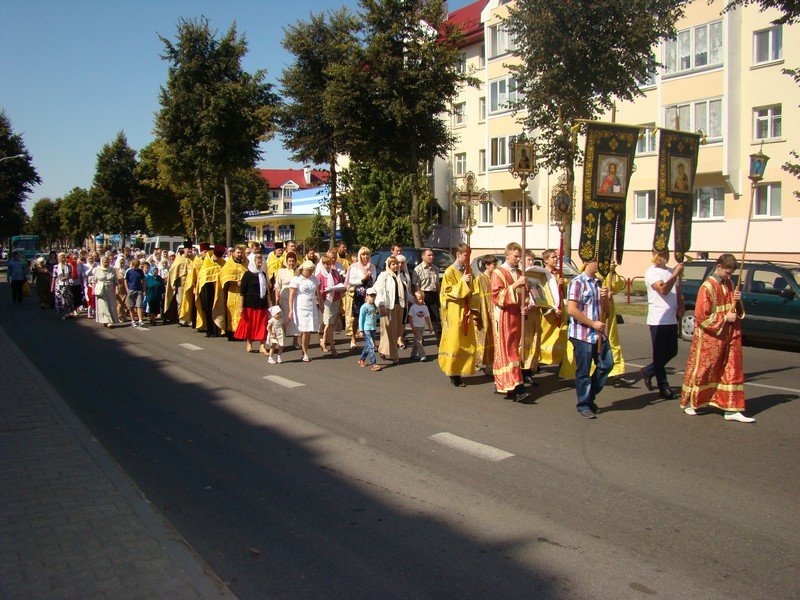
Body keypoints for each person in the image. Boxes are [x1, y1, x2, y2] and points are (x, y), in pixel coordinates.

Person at [680, 254, 755, 422]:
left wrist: (737, 301)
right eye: (727, 272)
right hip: (709, 338)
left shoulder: (729, 284)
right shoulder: (706, 287)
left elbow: (733, 309)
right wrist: (723, 319)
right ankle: (692, 402)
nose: (729, 276)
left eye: (731, 273)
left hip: (729, 335)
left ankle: (730, 408)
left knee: (730, 369)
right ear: (719, 266)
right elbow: (701, 317)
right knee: (705, 369)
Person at [567, 256, 613, 419]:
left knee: (607, 364)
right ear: (588, 263)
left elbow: (606, 311)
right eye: (597, 261)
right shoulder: (577, 282)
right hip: (582, 334)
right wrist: (592, 323)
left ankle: (589, 394)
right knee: (584, 371)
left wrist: (606, 298)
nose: (600, 264)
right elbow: (571, 309)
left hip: (598, 334)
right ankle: (584, 404)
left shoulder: (599, 283)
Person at [641, 250, 685, 398]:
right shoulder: (652, 272)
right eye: (661, 254)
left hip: (672, 318)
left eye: (666, 253)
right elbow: (664, 289)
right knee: (659, 355)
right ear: (654, 255)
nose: (665, 256)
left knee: (672, 351)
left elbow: (677, 291)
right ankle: (663, 386)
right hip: (658, 319)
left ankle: (649, 370)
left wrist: (681, 304)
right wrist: (675, 274)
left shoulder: (672, 270)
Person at [490, 243, 530, 402]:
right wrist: (515, 285)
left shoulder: (520, 272)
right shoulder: (498, 273)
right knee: (508, 350)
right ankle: (518, 388)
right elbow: (496, 296)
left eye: (520, 256)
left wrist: (525, 305)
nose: (518, 259)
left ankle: (506, 384)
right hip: (504, 315)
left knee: (515, 349)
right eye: (516, 256)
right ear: (507, 255)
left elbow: (524, 295)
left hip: (516, 315)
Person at [437, 243, 477, 387]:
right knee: (455, 342)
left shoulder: (469, 270)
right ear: (458, 255)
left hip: (466, 309)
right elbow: (446, 292)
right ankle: (454, 373)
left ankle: (463, 368)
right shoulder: (450, 271)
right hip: (454, 310)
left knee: (466, 341)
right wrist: (462, 282)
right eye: (466, 255)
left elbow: (473, 290)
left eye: (469, 255)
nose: (467, 258)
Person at [375, 256, 411, 365]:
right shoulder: (384, 276)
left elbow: (405, 292)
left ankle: (382, 349)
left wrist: (416, 300)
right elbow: (379, 290)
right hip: (388, 307)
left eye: (396, 264)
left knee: (394, 332)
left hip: (399, 306)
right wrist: (381, 305)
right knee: (390, 331)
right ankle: (395, 356)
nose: (395, 266)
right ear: (388, 265)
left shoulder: (401, 277)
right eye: (393, 264)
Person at [235, 253, 270, 354]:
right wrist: (241, 307)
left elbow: (266, 291)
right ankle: (249, 343)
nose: (260, 264)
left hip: (261, 303)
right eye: (258, 262)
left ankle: (262, 346)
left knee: (262, 325)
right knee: (250, 324)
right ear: (253, 262)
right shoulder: (247, 275)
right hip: (250, 303)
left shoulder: (262, 274)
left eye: (261, 262)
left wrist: (269, 303)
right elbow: (242, 291)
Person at [538, 249, 567, 367]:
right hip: (548, 309)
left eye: (556, 257)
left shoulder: (559, 273)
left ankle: (561, 360)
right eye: (553, 257)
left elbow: (564, 293)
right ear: (546, 260)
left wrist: (562, 284)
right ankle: (539, 359)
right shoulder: (542, 274)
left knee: (561, 334)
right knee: (545, 335)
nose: (555, 259)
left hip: (561, 308)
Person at [289, 260, 322, 362]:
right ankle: (304, 353)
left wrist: (320, 303)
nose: (310, 273)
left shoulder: (314, 279)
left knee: (308, 330)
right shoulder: (296, 279)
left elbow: (318, 292)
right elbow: (291, 295)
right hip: (300, 306)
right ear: (303, 270)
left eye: (311, 270)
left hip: (311, 305)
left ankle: (304, 351)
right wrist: (290, 310)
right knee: (304, 329)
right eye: (308, 270)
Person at [214, 244, 248, 339]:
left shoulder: (244, 263)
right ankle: (231, 333)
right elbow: (224, 277)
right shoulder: (228, 264)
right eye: (238, 252)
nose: (239, 254)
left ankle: (240, 332)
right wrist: (235, 281)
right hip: (232, 292)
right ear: (233, 253)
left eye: (241, 253)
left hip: (242, 293)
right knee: (232, 312)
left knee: (241, 313)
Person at [471, 254, 497, 373]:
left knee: (493, 339)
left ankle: (489, 365)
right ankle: (476, 361)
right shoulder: (479, 279)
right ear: (487, 265)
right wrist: (475, 315)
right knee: (482, 338)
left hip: (495, 312)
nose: (495, 267)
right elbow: (475, 298)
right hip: (483, 313)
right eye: (494, 265)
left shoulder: (495, 279)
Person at [347, 247, 376, 349]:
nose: (365, 257)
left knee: (370, 317)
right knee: (356, 317)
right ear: (359, 256)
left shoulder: (372, 266)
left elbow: (374, 279)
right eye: (363, 255)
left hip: (369, 294)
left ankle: (369, 339)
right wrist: (363, 279)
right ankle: (353, 338)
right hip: (359, 293)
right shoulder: (354, 267)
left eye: (367, 254)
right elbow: (351, 281)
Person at [316, 255, 345, 356]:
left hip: (335, 299)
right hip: (326, 301)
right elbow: (318, 290)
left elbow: (341, 285)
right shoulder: (320, 275)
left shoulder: (335, 273)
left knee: (331, 324)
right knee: (328, 323)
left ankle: (323, 341)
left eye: (329, 263)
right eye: (326, 264)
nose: (328, 265)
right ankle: (332, 347)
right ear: (322, 265)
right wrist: (325, 291)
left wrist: (337, 288)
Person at [197, 245, 226, 337]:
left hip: (218, 290)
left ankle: (216, 330)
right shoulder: (207, 263)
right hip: (206, 290)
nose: (218, 259)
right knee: (208, 310)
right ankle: (209, 329)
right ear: (213, 254)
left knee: (218, 309)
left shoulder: (223, 263)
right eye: (217, 257)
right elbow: (201, 277)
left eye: (220, 257)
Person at [275, 251, 300, 348]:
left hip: (296, 298)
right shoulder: (281, 271)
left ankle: (295, 341)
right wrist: (277, 298)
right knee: (285, 320)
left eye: (293, 261)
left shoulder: (298, 271)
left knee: (295, 320)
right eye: (289, 261)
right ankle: (280, 341)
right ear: (286, 261)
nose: (291, 263)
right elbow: (277, 285)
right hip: (285, 298)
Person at [412, 248, 441, 332]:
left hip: (433, 294)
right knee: (420, 319)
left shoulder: (435, 269)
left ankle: (439, 341)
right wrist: (419, 298)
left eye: (432, 255)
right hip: (423, 295)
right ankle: (419, 340)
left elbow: (437, 284)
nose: (431, 257)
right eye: (429, 255)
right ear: (423, 257)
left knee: (436, 318)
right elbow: (416, 285)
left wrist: (439, 295)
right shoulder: (418, 269)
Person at [358, 287, 381, 371]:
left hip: (373, 328)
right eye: (371, 296)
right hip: (366, 329)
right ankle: (373, 364)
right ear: (367, 296)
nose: (372, 297)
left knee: (368, 346)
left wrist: (382, 315)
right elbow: (361, 319)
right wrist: (361, 330)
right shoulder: (364, 307)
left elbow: (375, 316)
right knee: (371, 346)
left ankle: (361, 359)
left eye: (374, 296)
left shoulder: (374, 306)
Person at [93, 254, 119, 327]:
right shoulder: (97, 270)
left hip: (110, 290)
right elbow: (94, 281)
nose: (106, 264)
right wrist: (93, 290)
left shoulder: (112, 270)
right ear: (102, 262)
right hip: (101, 290)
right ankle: (107, 321)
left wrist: (116, 288)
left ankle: (110, 320)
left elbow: (116, 280)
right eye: (105, 262)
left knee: (111, 305)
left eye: (108, 262)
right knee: (103, 306)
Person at [408, 290, 433, 361]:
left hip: (422, 327)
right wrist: (412, 327)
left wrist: (430, 326)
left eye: (422, 299)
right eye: (419, 299)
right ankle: (422, 355)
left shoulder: (425, 307)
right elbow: (410, 317)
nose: (421, 300)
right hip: (416, 327)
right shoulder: (413, 307)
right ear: (415, 299)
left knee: (416, 341)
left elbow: (427, 317)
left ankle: (413, 354)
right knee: (419, 341)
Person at [124, 258, 147, 327]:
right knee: (131, 306)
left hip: (139, 290)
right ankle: (133, 320)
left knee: (139, 305)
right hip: (131, 290)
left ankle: (140, 320)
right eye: (134, 266)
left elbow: (143, 280)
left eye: (137, 266)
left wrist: (144, 289)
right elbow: (125, 280)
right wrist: (127, 289)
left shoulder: (140, 271)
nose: (135, 267)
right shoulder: (129, 271)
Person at [52, 252, 74, 319]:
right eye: (62, 258)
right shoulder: (56, 267)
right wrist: (52, 286)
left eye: (64, 257)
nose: (63, 259)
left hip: (67, 285)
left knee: (68, 299)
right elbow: (54, 276)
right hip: (59, 286)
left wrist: (66, 278)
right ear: (58, 258)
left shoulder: (68, 266)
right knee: (61, 300)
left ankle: (69, 313)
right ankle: (63, 314)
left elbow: (71, 275)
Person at [143, 261, 165, 325]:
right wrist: (144, 292)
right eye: (154, 271)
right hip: (150, 295)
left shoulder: (159, 278)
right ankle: (153, 319)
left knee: (156, 309)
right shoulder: (147, 278)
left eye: (157, 271)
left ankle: (152, 317)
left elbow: (162, 285)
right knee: (151, 307)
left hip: (157, 295)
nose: (156, 272)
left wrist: (163, 292)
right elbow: (145, 286)